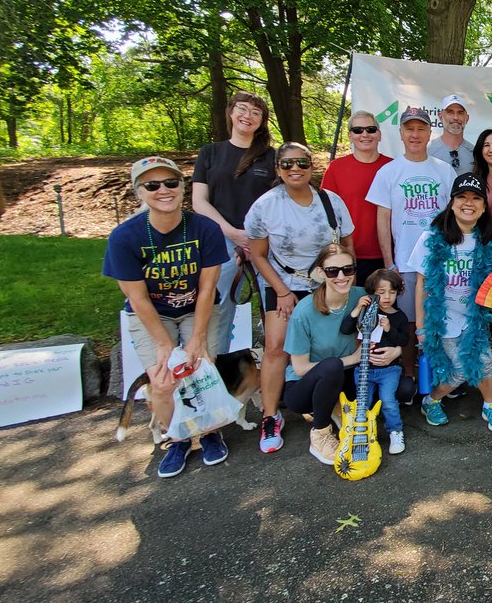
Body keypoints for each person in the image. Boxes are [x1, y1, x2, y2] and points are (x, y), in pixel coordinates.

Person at [103, 156, 229, 477]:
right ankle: (178, 437)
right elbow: (137, 297)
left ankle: (210, 431)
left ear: (183, 187)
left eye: (171, 182)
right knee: (162, 382)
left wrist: (198, 339)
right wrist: (162, 345)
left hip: (195, 308)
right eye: (152, 185)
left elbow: (207, 288)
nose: (164, 190)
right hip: (152, 315)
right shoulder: (124, 238)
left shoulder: (206, 229)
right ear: (138, 192)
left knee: (203, 370)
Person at [246, 142, 355, 454]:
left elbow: (347, 245)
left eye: (302, 163)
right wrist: (281, 291)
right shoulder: (265, 206)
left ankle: (330, 404)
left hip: (329, 282)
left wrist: (348, 281)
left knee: (334, 345)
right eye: (287, 164)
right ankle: (270, 415)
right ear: (278, 169)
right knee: (277, 347)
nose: (295, 169)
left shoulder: (330, 201)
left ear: (311, 166)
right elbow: (258, 255)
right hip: (285, 285)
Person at [409, 173, 492, 431]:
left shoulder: (490, 239)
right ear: (452, 202)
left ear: (483, 205)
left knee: (486, 363)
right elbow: (422, 284)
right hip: (442, 318)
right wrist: (421, 327)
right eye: (462, 197)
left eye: (476, 198)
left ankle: (490, 405)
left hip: (474, 317)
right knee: (460, 371)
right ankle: (431, 400)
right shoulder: (431, 238)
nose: (469, 203)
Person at [366, 106, 456, 390]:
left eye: (421, 129)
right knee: (406, 324)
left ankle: (444, 376)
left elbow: (454, 217)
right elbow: (383, 218)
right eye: (409, 129)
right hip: (404, 264)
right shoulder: (388, 171)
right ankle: (409, 374)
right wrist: (388, 262)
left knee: (442, 322)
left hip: (441, 263)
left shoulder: (444, 170)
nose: (415, 134)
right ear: (401, 134)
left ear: (430, 133)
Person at [191, 92, 275, 354]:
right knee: (218, 310)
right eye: (242, 109)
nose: (247, 116)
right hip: (221, 242)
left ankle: (281, 376)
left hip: (265, 243)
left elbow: (279, 202)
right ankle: (216, 373)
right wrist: (232, 233)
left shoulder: (271, 157)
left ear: (262, 121)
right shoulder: (210, 153)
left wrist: (255, 238)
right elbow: (199, 201)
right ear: (230, 112)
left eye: (255, 112)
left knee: (275, 307)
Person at [281, 244, 371, 466]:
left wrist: (395, 350)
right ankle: (320, 433)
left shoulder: (361, 296)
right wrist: (352, 359)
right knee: (331, 366)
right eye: (333, 271)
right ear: (321, 273)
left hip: (347, 377)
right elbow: (300, 368)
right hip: (303, 386)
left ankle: (335, 406)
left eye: (348, 269)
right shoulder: (304, 312)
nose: (342, 277)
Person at [321, 110, 393, 285]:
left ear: (379, 134)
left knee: (386, 310)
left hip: (389, 256)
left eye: (370, 129)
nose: (365, 134)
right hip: (349, 256)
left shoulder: (393, 167)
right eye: (358, 130)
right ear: (350, 136)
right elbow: (326, 213)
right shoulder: (336, 168)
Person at [358, 268, 410, 452]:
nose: (387, 297)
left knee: (387, 400)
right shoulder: (365, 313)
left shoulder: (399, 316)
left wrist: (390, 330)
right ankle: (362, 433)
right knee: (363, 402)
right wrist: (357, 309)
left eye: (392, 292)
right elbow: (347, 328)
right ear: (372, 293)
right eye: (381, 292)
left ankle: (395, 431)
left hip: (389, 369)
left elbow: (404, 340)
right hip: (364, 368)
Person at [428, 93, 474, 175]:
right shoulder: (428, 151)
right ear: (440, 116)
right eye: (450, 112)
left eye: (460, 113)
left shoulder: (474, 153)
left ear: (466, 118)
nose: (455, 117)